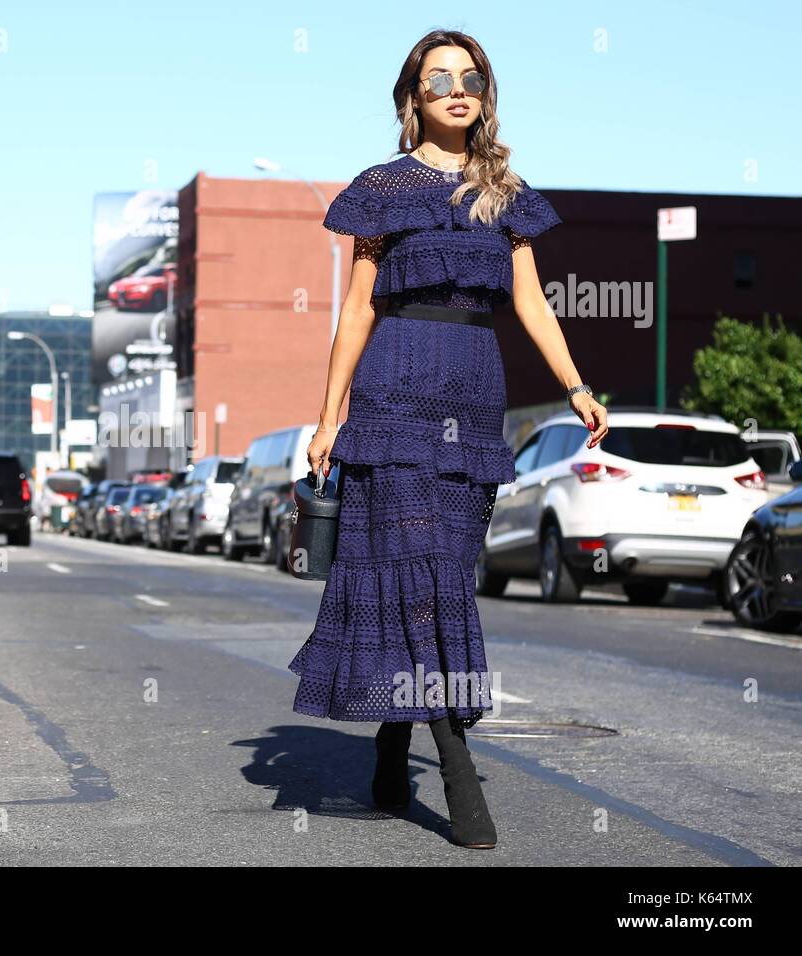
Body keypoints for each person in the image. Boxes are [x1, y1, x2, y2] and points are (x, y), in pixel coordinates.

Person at [287, 29, 609, 849]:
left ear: (482, 95)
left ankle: (394, 742)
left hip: (474, 388)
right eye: (439, 80)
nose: (456, 89)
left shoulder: (505, 191)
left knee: (443, 578)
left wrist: (574, 386)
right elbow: (357, 309)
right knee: (420, 569)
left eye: (470, 78)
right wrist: (329, 418)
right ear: (414, 100)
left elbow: (532, 303)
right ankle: (458, 773)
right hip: (394, 386)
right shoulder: (382, 189)